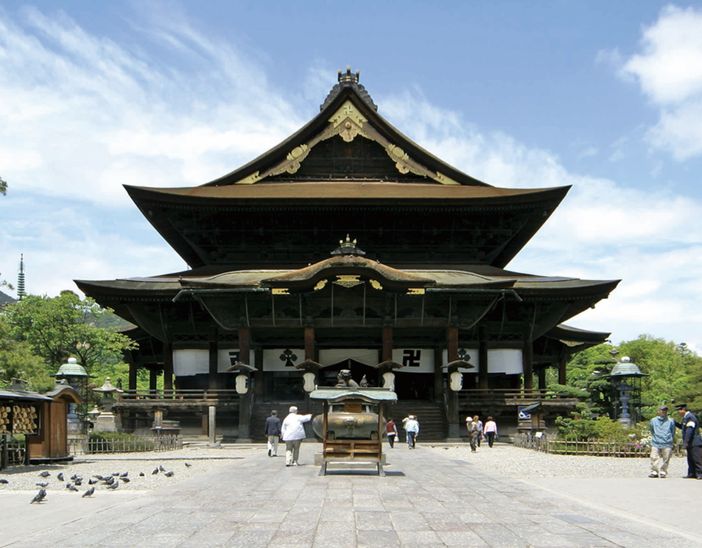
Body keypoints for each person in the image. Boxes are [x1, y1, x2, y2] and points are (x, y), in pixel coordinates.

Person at [674, 403, 702, 479]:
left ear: (683, 410)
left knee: (697, 459)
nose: (678, 412)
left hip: (694, 442)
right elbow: (683, 427)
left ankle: (700, 474)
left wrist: (685, 443)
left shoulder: (690, 417)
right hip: (690, 443)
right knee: (690, 458)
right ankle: (692, 473)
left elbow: (689, 431)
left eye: (679, 410)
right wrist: (675, 423)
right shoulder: (685, 418)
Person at [648, 405, 675, 478]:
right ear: (658, 411)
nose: (663, 412)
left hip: (667, 442)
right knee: (654, 457)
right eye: (662, 410)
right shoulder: (653, 420)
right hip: (656, 441)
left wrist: (670, 439)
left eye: (665, 410)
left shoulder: (671, 420)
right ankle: (654, 471)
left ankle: (663, 471)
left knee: (666, 458)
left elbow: (673, 431)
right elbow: (651, 430)